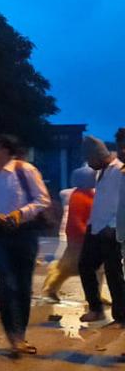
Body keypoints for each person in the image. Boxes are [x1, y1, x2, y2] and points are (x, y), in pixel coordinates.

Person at [0, 135, 51, 357]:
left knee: (23, 285)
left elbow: (42, 199)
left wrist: (21, 213)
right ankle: (12, 335)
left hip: (25, 233)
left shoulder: (25, 170)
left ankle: (20, 335)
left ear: (6, 150)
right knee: (6, 284)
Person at [78, 135, 125, 323]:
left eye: (90, 160)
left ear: (98, 156)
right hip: (96, 227)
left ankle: (121, 316)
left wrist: (113, 226)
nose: (89, 164)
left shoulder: (119, 171)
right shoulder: (102, 171)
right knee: (85, 265)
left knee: (114, 273)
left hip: (112, 230)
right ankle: (96, 309)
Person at [42, 166, 96, 302]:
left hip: (83, 236)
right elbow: (76, 220)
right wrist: (85, 234)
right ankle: (50, 288)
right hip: (78, 238)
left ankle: (95, 295)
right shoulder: (79, 196)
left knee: (87, 267)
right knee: (69, 267)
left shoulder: (89, 193)